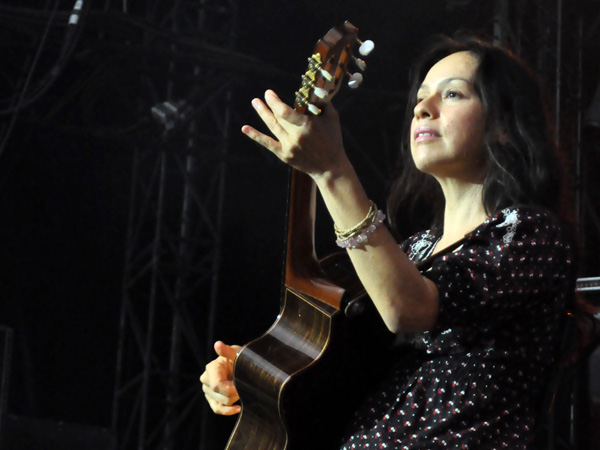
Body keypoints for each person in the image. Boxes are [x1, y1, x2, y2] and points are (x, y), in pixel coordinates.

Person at [201, 33, 577, 449]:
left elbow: (409, 309)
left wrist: (331, 171)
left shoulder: (529, 233)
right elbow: (339, 370)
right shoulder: (413, 251)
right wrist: (258, 374)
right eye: (420, 98)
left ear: (504, 126)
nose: (423, 108)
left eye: (452, 94)